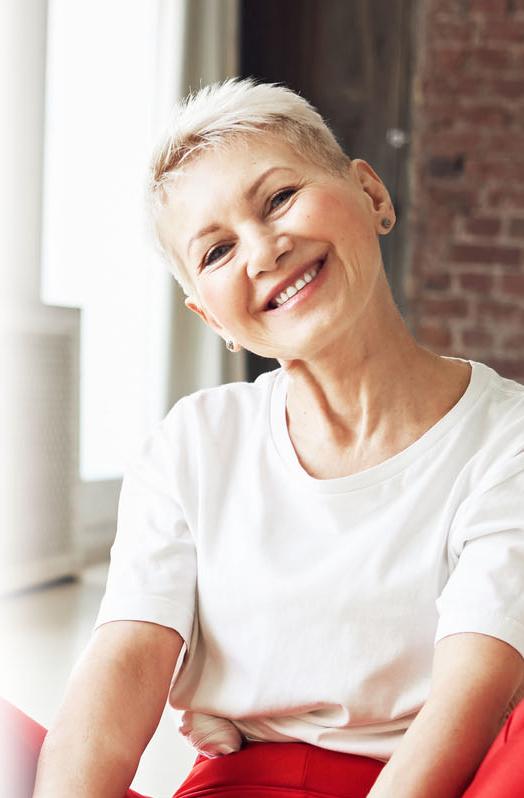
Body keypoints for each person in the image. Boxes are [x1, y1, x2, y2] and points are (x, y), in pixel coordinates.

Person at [11, 76, 524, 797]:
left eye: (279, 198)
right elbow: (120, 673)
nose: (262, 251)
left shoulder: (505, 438)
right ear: (210, 317)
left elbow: (469, 704)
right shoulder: (194, 443)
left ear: (372, 195)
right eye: (217, 252)